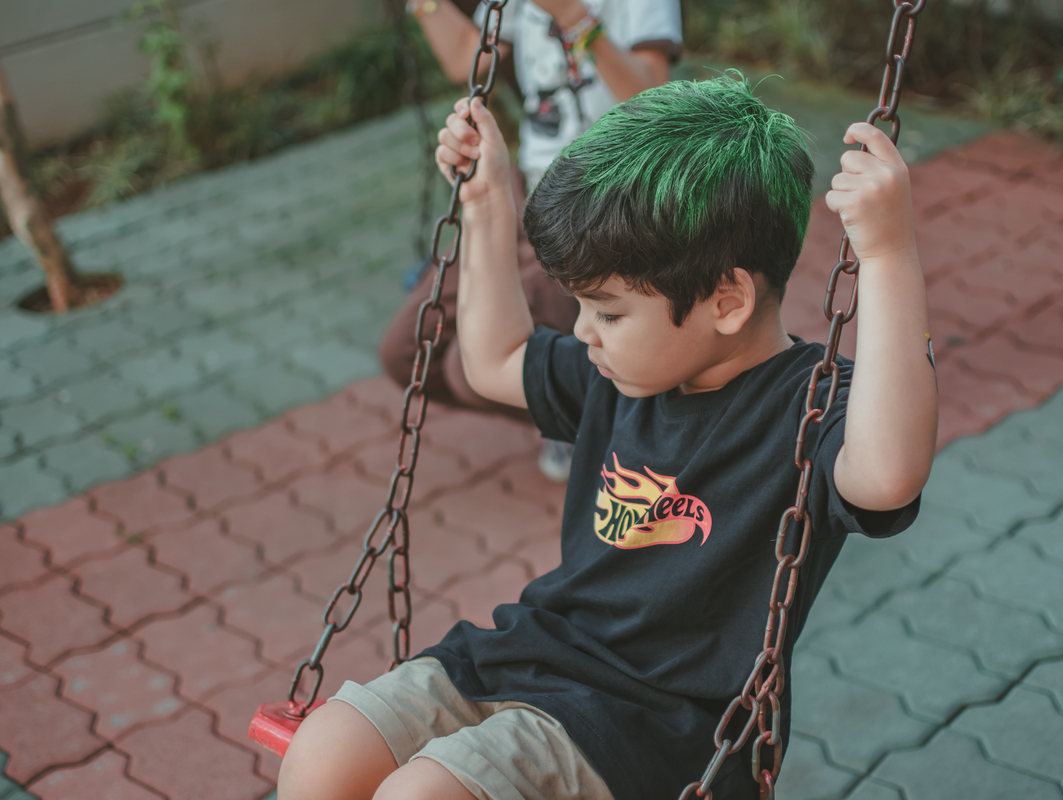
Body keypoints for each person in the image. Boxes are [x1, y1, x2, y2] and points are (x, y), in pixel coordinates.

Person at [281, 75, 938, 800]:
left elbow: (887, 474)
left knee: (422, 795)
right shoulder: (620, 373)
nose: (584, 331)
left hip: (657, 725)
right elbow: (494, 359)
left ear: (727, 301)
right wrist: (487, 200)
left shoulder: (806, 409)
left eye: (609, 311)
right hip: (533, 653)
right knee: (323, 753)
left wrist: (885, 255)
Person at [379, 0, 681, 481]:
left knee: (472, 366)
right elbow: (469, 60)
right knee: (408, 348)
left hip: (607, 204)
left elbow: (655, 99)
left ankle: (612, 429)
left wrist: (571, 15)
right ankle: (576, 416)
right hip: (530, 193)